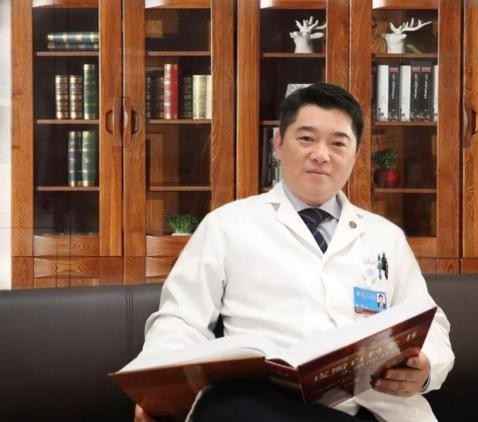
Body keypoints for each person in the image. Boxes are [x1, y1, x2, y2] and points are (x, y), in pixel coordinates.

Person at [133, 83, 454, 422]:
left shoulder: (385, 237)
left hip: (374, 408)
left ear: (356, 154)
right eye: (307, 139)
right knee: (225, 405)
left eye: (338, 143)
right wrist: (157, 393)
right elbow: (181, 319)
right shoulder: (226, 225)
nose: (321, 154)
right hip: (266, 406)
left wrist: (425, 367)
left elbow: (429, 322)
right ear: (279, 143)